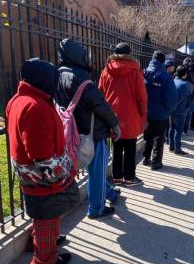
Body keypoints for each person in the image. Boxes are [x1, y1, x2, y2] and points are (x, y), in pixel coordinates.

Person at [6, 58, 80, 264]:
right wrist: (62, 175)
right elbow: (41, 155)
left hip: (29, 172)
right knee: (47, 212)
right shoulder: (34, 106)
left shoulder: (20, 99)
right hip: (41, 175)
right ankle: (43, 261)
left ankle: (41, 243)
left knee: (45, 213)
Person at [56, 38, 120, 219]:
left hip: (71, 132)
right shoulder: (81, 77)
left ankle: (109, 193)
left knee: (94, 169)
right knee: (97, 170)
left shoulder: (58, 74)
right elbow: (100, 104)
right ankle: (96, 208)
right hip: (92, 133)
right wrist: (115, 126)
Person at [99, 43, 147, 187]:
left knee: (116, 148)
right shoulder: (135, 71)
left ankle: (117, 177)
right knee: (130, 149)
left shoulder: (105, 71)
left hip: (112, 116)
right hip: (131, 116)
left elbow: (100, 94)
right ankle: (129, 178)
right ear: (129, 54)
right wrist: (144, 115)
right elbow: (142, 97)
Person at [143, 51, 177, 170]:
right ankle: (156, 162)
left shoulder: (144, 73)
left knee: (148, 136)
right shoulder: (166, 77)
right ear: (163, 62)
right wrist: (170, 109)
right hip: (161, 113)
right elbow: (171, 97)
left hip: (146, 112)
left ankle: (146, 158)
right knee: (159, 137)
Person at [169, 66, 193, 155]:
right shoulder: (186, 85)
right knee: (178, 131)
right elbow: (192, 91)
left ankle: (171, 146)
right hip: (181, 111)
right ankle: (177, 148)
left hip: (171, 109)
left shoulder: (172, 81)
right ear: (185, 74)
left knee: (171, 129)